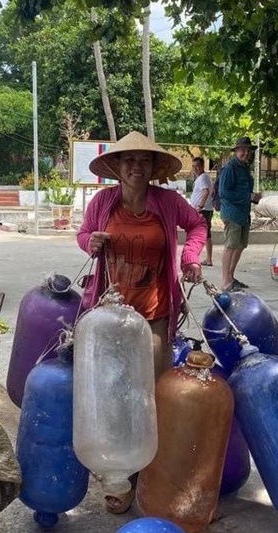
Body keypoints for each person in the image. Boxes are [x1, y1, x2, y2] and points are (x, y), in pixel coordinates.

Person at [76, 131, 207, 514]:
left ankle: (148, 477)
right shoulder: (103, 202)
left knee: (147, 398)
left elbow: (197, 225)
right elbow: (84, 234)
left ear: (153, 168)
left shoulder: (167, 202)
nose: (136, 167)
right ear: (116, 167)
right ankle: (119, 475)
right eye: (128, 160)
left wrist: (190, 259)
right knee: (110, 397)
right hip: (109, 319)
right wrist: (91, 243)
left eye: (144, 161)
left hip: (154, 317)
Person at [218, 137, 261, 291]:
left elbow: (243, 191)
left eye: (248, 150)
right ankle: (225, 281)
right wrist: (248, 196)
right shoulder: (230, 168)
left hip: (243, 213)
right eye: (242, 149)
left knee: (240, 245)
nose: (246, 152)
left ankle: (230, 277)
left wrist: (253, 197)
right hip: (232, 213)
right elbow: (224, 193)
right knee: (230, 246)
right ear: (236, 151)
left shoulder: (244, 167)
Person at [189, 157, 214, 266]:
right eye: (193, 166)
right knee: (204, 235)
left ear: (203, 166)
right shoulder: (201, 177)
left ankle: (207, 259)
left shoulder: (203, 177)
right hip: (203, 210)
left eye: (197, 166)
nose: (195, 168)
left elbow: (206, 191)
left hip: (203, 211)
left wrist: (200, 205)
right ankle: (206, 258)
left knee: (203, 235)